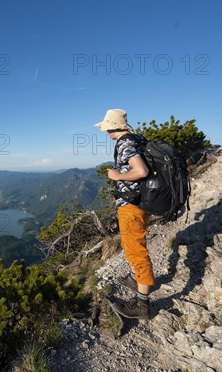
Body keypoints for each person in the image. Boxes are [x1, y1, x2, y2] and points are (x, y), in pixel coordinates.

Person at [95, 109, 153, 319]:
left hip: (132, 205)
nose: (105, 131)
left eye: (106, 127)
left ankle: (142, 304)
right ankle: (137, 278)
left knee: (136, 250)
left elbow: (141, 171)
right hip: (139, 201)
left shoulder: (126, 143)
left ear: (112, 126)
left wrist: (117, 175)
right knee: (132, 245)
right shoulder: (136, 139)